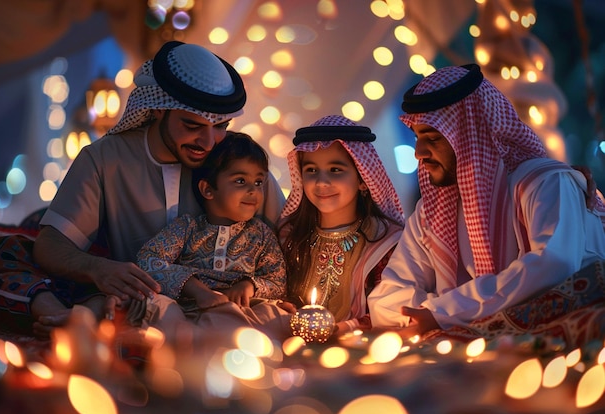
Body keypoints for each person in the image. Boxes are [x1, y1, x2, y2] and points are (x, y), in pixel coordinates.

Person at [0, 41, 285, 337]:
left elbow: (287, 244)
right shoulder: (105, 157)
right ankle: (60, 317)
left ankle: (83, 323)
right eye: (192, 126)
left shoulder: (235, 163)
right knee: (0, 255)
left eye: (220, 127)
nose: (207, 143)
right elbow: (51, 246)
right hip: (129, 296)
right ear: (158, 110)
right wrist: (98, 268)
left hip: (212, 305)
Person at [367, 64, 605, 343]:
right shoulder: (430, 212)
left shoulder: (545, 183)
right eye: (418, 138)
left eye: (432, 139)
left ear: (470, 134)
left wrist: (443, 312)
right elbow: (386, 299)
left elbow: (554, 266)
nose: (419, 153)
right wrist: (435, 316)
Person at [133, 131, 289, 339]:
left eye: (259, 182)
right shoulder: (187, 228)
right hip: (191, 309)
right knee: (158, 306)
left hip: (243, 310)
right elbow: (148, 259)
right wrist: (197, 290)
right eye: (241, 181)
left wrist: (249, 286)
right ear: (208, 190)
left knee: (281, 316)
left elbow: (278, 282)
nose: (253, 190)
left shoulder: (260, 235)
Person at [277, 115, 405, 336]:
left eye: (335, 170)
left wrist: (342, 329)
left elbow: (393, 311)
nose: (321, 182)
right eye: (311, 170)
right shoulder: (289, 235)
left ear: (363, 179)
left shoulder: (386, 241)